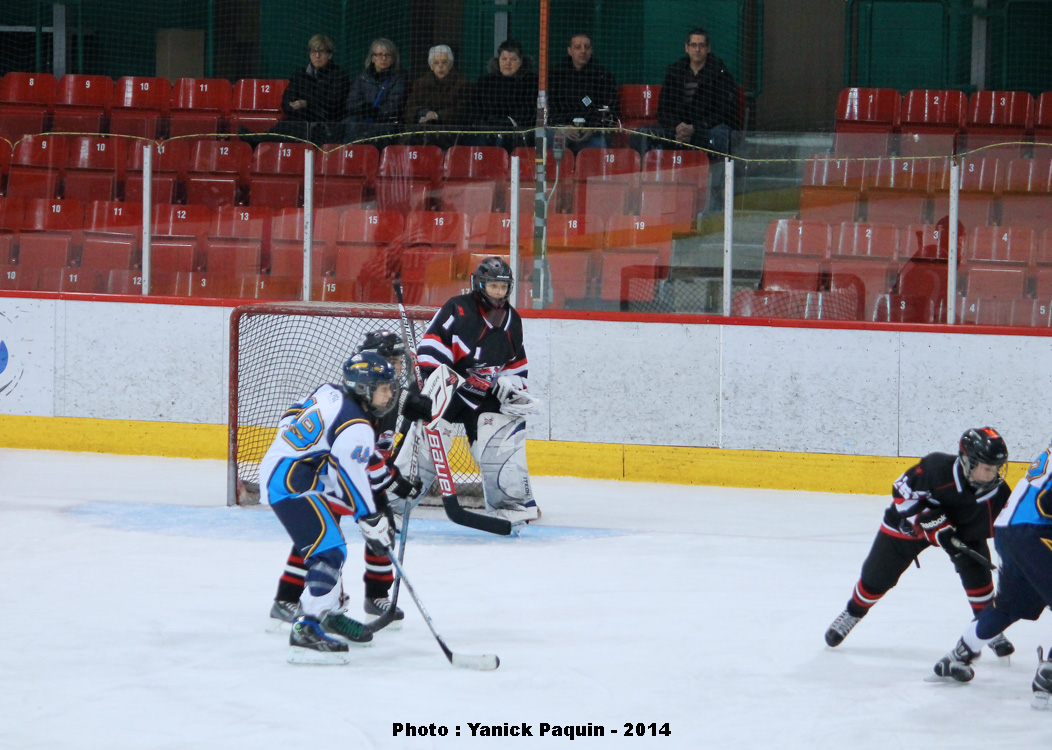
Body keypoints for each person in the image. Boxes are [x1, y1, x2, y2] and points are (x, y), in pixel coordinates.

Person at [267, 330, 422, 633]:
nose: (392, 386)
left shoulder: (363, 397)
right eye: (388, 363)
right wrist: (372, 508)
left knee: (345, 539)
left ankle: (353, 601)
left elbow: (367, 456)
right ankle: (295, 604)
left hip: (331, 473)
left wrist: (393, 481)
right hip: (321, 477)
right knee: (323, 543)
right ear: (365, 386)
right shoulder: (357, 416)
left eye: (396, 363)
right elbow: (355, 462)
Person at [824, 427, 1015, 657]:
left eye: (996, 468)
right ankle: (853, 612)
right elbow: (900, 493)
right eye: (987, 468)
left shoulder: (999, 493)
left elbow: (1010, 531)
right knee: (877, 575)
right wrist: (929, 523)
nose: (992, 474)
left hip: (964, 531)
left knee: (978, 572)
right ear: (967, 461)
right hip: (910, 525)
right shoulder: (936, 468)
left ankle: (987, 628)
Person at [393, 257, 541, 525]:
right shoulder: (458, 310)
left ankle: (511, 502)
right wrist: (435, 388)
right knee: (427, 441)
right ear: (479, 285)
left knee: (500, 432)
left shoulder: (513, 321)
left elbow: (515, 366)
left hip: (482, 394)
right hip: (445, 390)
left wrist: (511, 385)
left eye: (502, 287)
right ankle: (394, 499)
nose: (498, 292)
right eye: (493, 286)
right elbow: (430, 353)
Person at [930, 435, 1052, 708]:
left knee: (1008, 607)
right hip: (1032, 531)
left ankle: (958, 655)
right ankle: (1049, 674)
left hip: (1009, 530)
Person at [241, 34, 350, 146]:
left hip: (324, 126)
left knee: (293, 129)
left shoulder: (339, 75)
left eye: (321, 52)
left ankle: (257, 141)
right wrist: (293, 106)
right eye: (313, 51)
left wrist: (307, 104)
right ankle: (258, 141)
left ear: (330, 55)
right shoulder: (300, 75)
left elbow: (333, 103)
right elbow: (286, 100)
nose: (317, 56)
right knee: (286, 126)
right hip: (299, 120)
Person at [654, 27, 739, 157]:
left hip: (707, 129)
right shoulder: (674, 73)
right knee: (642, 133)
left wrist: (695, 128)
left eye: (701, 45)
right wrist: (677, 128)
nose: (697, 50)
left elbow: (724, 113)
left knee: (721, 134)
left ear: (708, 48)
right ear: (686, 48)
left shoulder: (721, 74)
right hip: (677, 129)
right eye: (693, 45)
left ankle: (720, 175)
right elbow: (663, 109)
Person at [548, 33, 618, 153]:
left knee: (598, 145)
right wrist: (563, 127)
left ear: (591, 50)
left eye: (587, 47)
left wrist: (592, 128)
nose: (583, 51)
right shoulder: (556, 75)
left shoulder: (603, 76)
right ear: (569, 51)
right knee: (553, 140)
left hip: (591, 133)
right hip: (562, 130)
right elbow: (550, 109)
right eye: (577, 47)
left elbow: (609, 110)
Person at [467, 39, 537, 150]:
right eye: (504, 59)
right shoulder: (485, 82)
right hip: (486, 134)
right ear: (498, 60)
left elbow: (530, 110)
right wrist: (485, 124)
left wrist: (509, 122)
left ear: (521, 61)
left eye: (513, 59)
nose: (507, 63)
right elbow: (474, 109)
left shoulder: (531, 82)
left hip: (518, 135)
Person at [403, 44, 471, 148]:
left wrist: (438, 116)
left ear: (451, 64)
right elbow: (409, 108)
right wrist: (424, 113)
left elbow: (462, 110)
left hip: (451, 136)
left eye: (444, 62)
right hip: (421, 134)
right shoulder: (420, 84)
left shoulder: (461, 84)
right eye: (436, 63)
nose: (440, 66)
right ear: (431, 65)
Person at [343, 38, 409, 144]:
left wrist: (378, 111)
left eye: (387, 55)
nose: (383, 58)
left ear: (393, 59)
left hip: (385, 122)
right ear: (373, 58)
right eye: (379, 54)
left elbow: (395, 103)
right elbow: (351, 101)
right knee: (350, 125)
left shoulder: (399, 79)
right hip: (361, 120)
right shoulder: (362, 78)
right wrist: (363, 108)